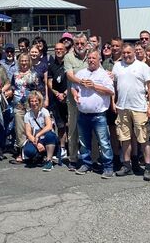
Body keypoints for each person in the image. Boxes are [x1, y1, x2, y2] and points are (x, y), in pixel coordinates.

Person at [113, 43, 150, 180]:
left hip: (139, 108)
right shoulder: (117, 66)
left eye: (129, 52)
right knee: (124, 138)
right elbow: (113, 85)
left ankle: (147, 168)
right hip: (122, 107)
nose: (126, 55)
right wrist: (113, 102)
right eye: (124, 53)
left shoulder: (142, 66)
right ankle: (127, 165)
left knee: (144, 138)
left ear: (134, 53)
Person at [71, 50, 115, 178]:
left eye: (93, 58)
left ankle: (108, 167)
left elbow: (110, 91)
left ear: (99, 60)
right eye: (89, 58)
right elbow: (74, 87)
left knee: (104, 143)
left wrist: (94, 86)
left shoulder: (104, 74)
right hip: (83, 114)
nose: (91, 60)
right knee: (84, 142)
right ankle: (86, 164)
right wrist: (75, 94)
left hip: (98, 115)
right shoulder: (81, 73)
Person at [63, 34, 88, 169]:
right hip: (73, 101)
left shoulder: (91, 55)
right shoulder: (68, 57)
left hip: (89, 101)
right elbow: (69, 75)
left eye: (82, 43)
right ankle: (73, 158)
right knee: (73, 130)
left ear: (86, 44)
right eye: (77, 43)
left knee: (89, 131)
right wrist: (82, 82)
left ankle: (91, 159)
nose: (79, 46)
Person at [10, 53, 40, 160]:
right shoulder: (15, 74)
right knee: (19, 129)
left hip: (30, 105)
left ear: (29, 62)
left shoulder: (34, 74)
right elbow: (13, 88)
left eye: (26, 61)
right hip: (18, 104)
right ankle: (21, 152)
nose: (24, 63)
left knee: (31, 127)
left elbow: (37, 89)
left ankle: (32, 151)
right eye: (22, 61)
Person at [22, 91, 58, 171]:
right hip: (35, 140)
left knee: (50, 135)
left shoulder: (44, 111)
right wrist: (37, 142)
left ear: (40, 101)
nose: (34, 103)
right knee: (28, 151)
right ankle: (39, 156)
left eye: (36, 101)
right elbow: (28, 133)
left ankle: (49, 160)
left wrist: (38, 135)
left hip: (46, 138)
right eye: (32, 101)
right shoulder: (27, 115)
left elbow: (49, 126)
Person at [46, 40, 68, 159]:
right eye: (56, 49)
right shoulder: (52, 65)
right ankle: (62, 147)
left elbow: (72, 79)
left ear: (65, 51)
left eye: (61, 49)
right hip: (57, 99)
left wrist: (65, 93)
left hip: (69, 97)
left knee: (72, 124)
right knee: (60, 125)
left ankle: (74, 147)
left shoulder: (69, 63)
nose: (58, 51)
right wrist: (56, 93)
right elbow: (49, 81)